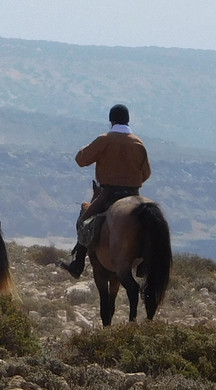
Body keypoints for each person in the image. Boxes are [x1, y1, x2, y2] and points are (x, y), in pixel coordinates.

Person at [60, 103, 151, 276]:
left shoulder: (104, 140)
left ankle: (77, 265)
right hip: (134, 194)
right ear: (128, 120)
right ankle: (145, 264)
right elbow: (146, 173)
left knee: (83, 222)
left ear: (111, 121)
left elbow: (81, 160)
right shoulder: (139, 143)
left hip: (109, 194)